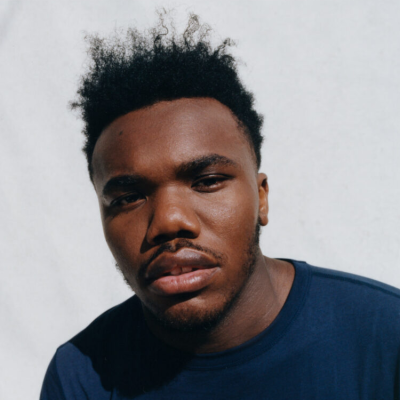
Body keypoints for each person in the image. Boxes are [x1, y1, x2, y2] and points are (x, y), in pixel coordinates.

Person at [40, 13, 400, 399]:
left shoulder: (384, 335)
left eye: (207, 181)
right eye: (128, 198)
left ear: (261, 197)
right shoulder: (81, 376)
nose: (169, 221)